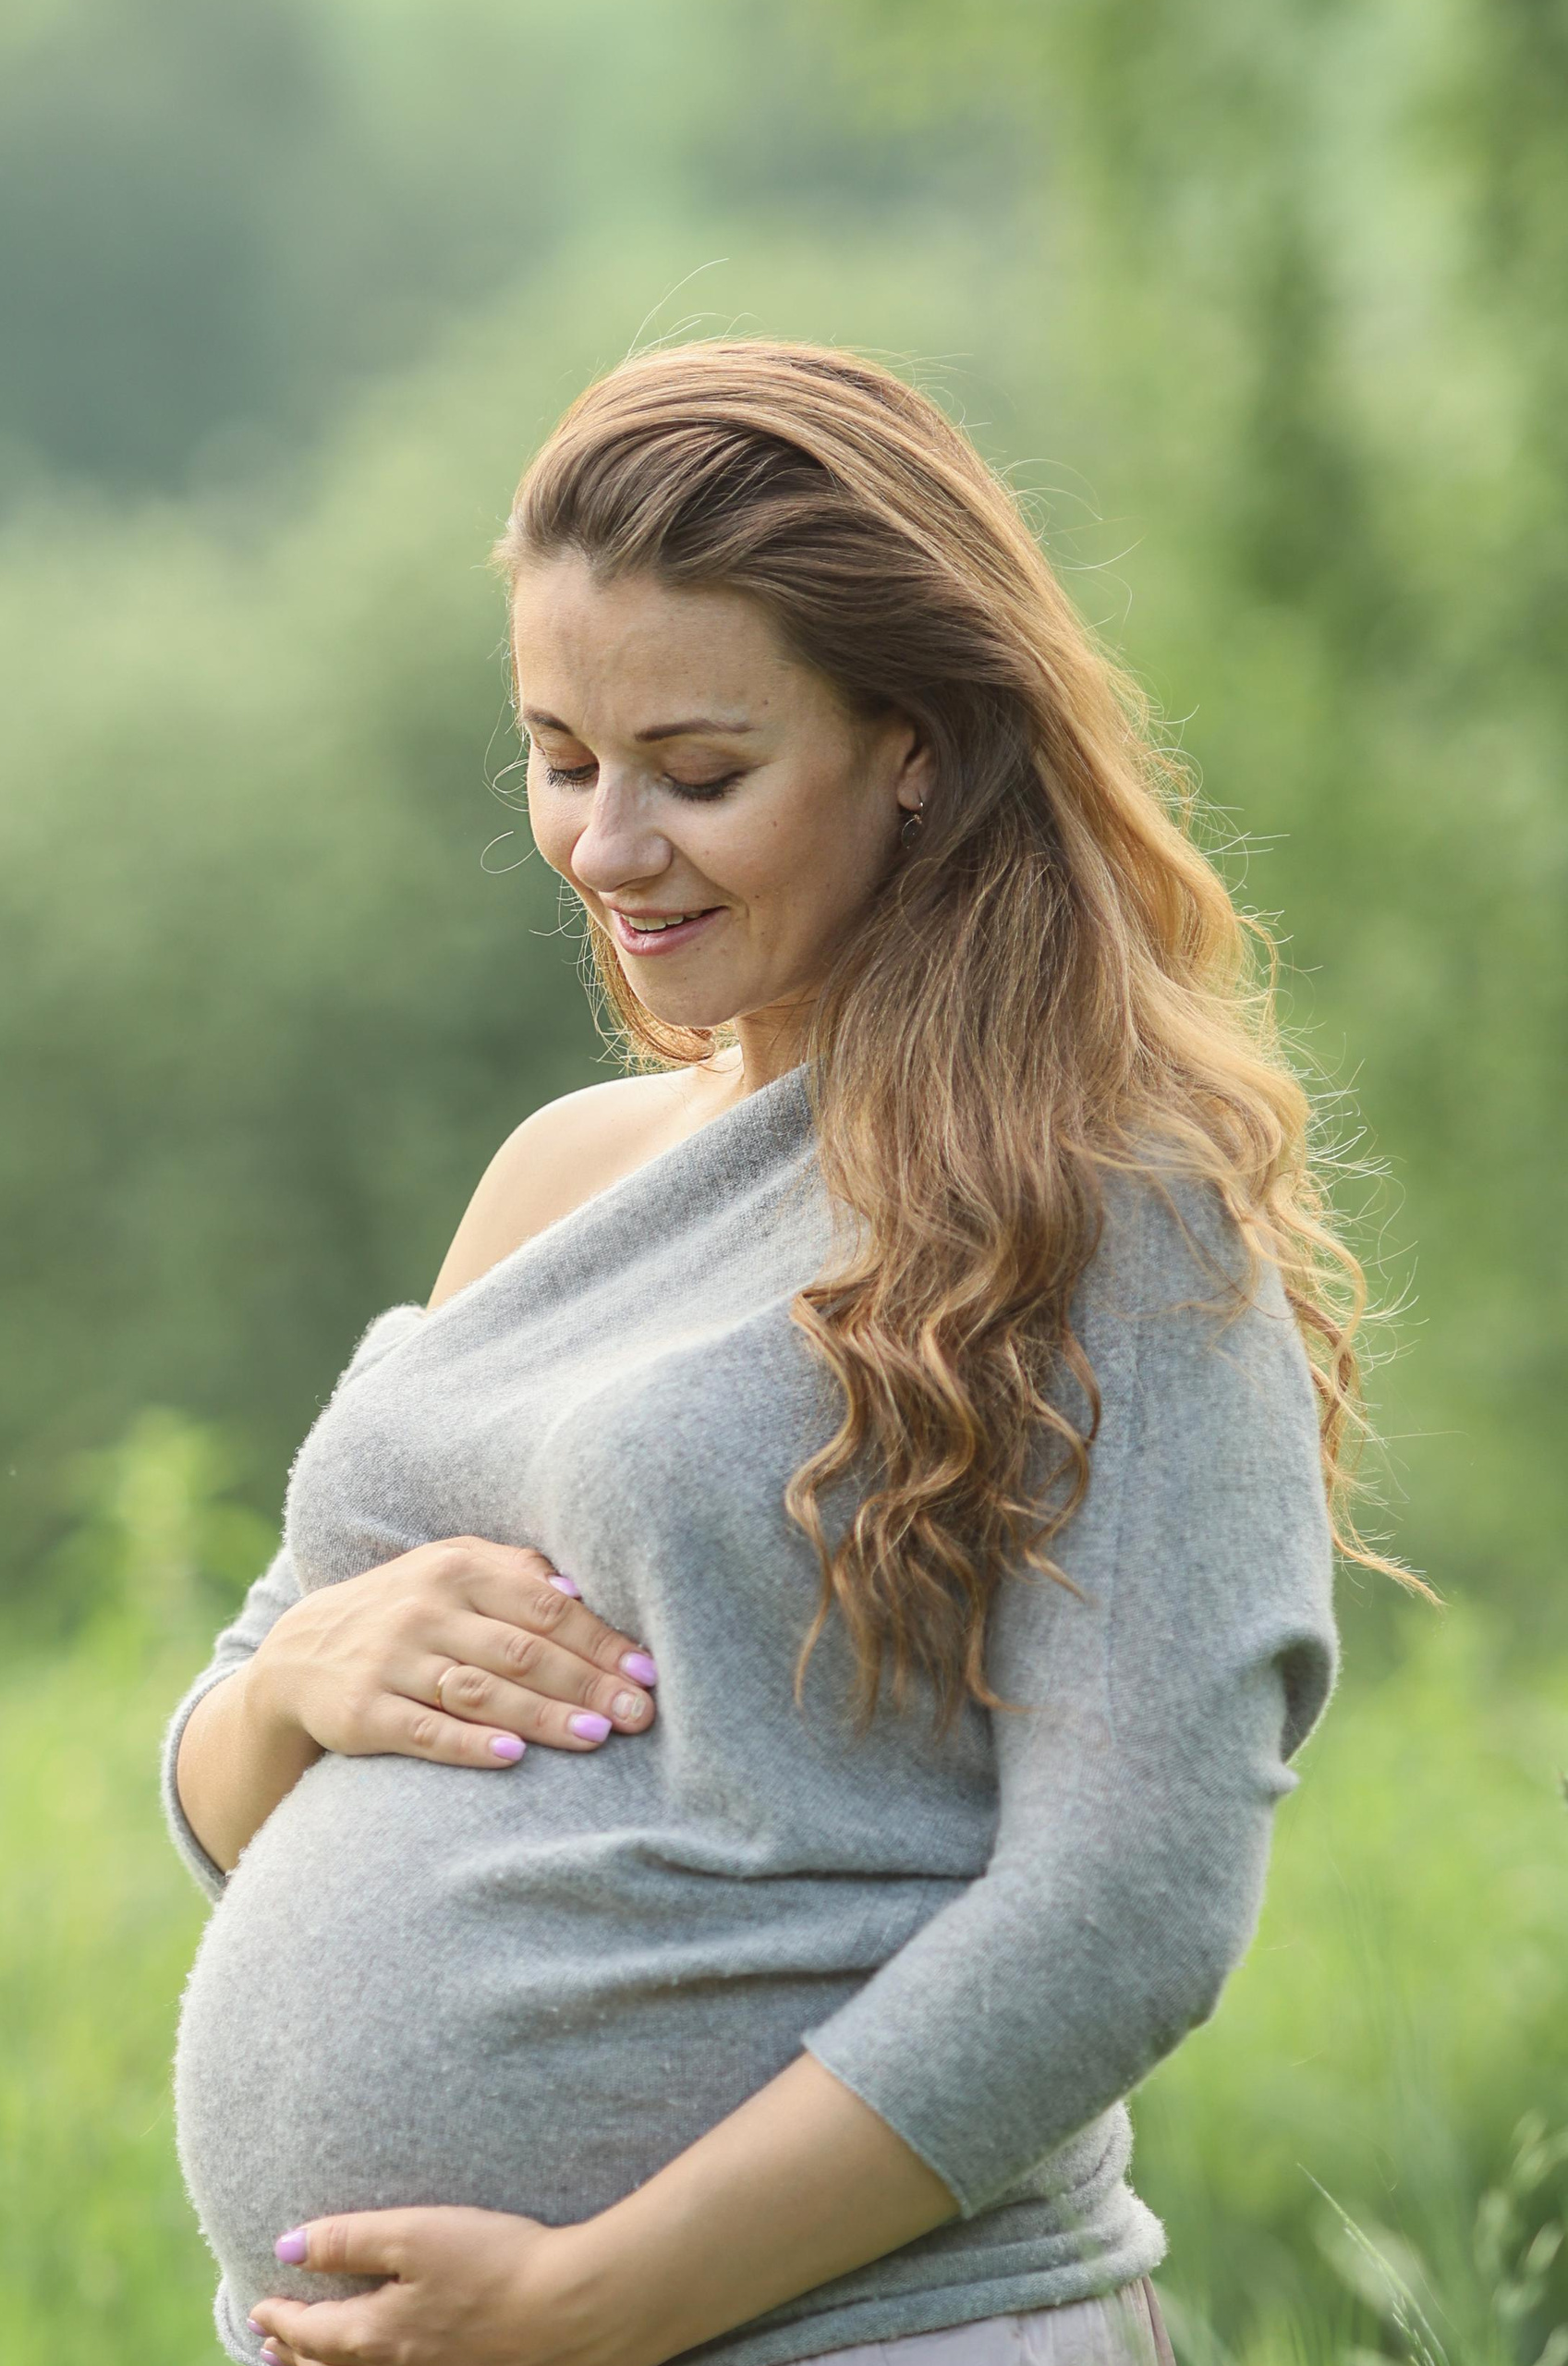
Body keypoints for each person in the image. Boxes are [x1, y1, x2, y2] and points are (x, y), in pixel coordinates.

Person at [159, 340, 1417, 2366]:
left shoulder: (1102, 1202)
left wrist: (596, 2296)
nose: (603, 842)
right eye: (559, 755)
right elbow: (231, 1799)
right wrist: (300, 1673)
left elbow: (1125, 1905)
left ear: (909, 742)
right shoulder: (556, 1174)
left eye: (697, 770)